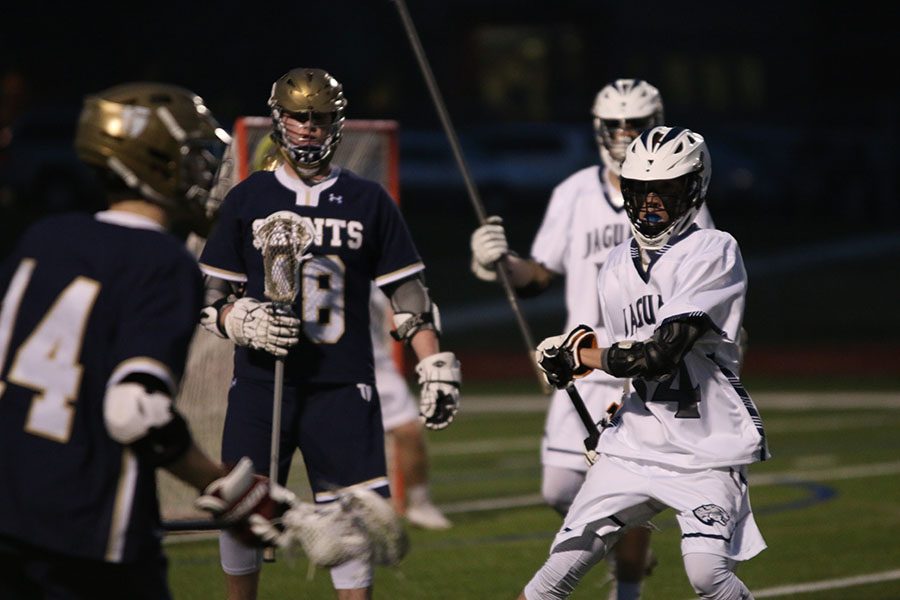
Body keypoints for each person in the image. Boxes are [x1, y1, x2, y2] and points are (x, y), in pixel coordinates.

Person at [0, 82, 289, 599]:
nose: (205, 172)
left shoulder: (45, 238)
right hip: (91, 531)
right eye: (194, 157)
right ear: (152, 162)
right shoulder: (160, 260)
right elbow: (134, 409)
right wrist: (223, 486)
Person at [198, 67, 461, 600]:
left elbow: (408, 293)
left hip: (342, 383)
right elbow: (208, 299)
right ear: (280, 119)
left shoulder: (368, 200)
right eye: (299, 116)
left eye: (320, 118)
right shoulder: (249, 198)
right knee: (242, 509)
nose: (309, 128)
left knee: (353, 523)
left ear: (336, 124)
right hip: (261, 383)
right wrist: (237, 320)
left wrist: (432, 361)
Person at [471, 78, 714, 599]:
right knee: (559, 486)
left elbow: (700, 289)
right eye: (616, 124)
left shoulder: (684, 202)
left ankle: (627, 590)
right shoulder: (575, 192)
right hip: (581, 363)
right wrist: (502, 263)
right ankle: (631, 540)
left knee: (631, 491)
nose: (625, 133)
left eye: (636, 124)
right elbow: (538, 276)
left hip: (646, 365)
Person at [519, 126, 769, 600]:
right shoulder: (615, 264)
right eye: (640, 192)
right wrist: (601, 395)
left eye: (666, 192)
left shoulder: (713, 250)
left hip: (707, 450)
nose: (651, 204)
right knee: (554, 574)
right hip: (636, 445)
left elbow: (659, 354)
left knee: (707, 575)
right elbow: (627, 353)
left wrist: (580, 356)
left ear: (694, 189)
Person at [370, 284, 452, 530]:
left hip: (376, 362)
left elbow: (401, 302)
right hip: (330, 367)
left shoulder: (369, 272)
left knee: (409, 429)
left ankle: (419, 502)